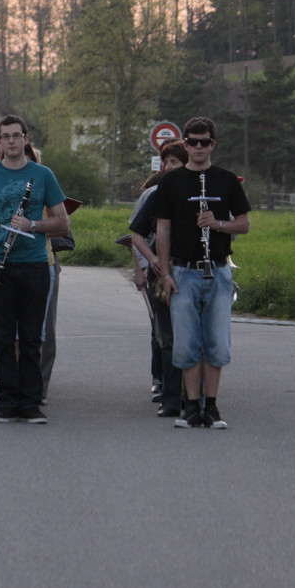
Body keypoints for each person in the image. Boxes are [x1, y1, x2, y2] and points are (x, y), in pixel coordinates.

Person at [153, 117, 251, 429]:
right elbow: (163, 230)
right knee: (186, 344)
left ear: (213, 145)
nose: (198, 147)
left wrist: (218, 224)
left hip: (219, 271)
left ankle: (212, 407)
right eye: (192, 142)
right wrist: (165, 274)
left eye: (204, 142)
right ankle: (191, 407)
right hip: (183, 271)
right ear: (185, 144)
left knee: (216, 343)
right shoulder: (170, 182)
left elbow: (244, 224)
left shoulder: (226, 180)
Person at [0, 114, 68, 424]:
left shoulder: (43, 175)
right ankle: (5, 402)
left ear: (26, 139)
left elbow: (62, 222)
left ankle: (30, 403)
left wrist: (32, 225)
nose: (12, 141)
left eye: (17, 135)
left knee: (30, 338)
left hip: (34, 264)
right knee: (2, 337)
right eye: (6, 136)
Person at [129, 139, 188, 418]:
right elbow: (136, 234)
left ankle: (194, 395)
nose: (169, 167)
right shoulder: (154, 194)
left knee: (192, 336)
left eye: (175, 161)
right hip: (161, 274)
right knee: (166, 336)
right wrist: (149, 261)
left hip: (192, 271)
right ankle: (170, 395)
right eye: (167, 162)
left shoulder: (199, 193)